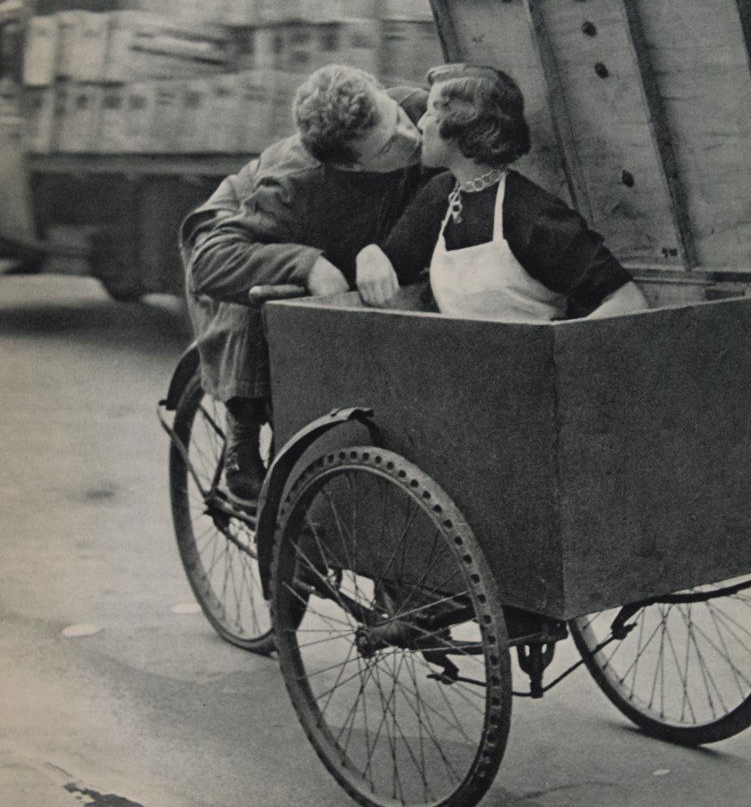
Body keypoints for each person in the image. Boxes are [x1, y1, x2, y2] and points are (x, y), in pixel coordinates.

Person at [182, 64, 429, 507]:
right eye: (390, 145)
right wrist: (304, 263)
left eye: (400, 120)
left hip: (342, 234)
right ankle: (243, 431)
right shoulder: (293, 183)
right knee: (260, 304)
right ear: (347, 164)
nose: (412, 139)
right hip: (242, 228)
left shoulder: (412, 107)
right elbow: (211, 262)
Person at [355, 62, 647, 321]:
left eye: (431, 112)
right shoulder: (440, 195)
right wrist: (369, 255)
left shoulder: (533, 214)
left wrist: (561, 351)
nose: (420, 123)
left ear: (463, 125)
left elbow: (628, 301)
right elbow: (393, 262)